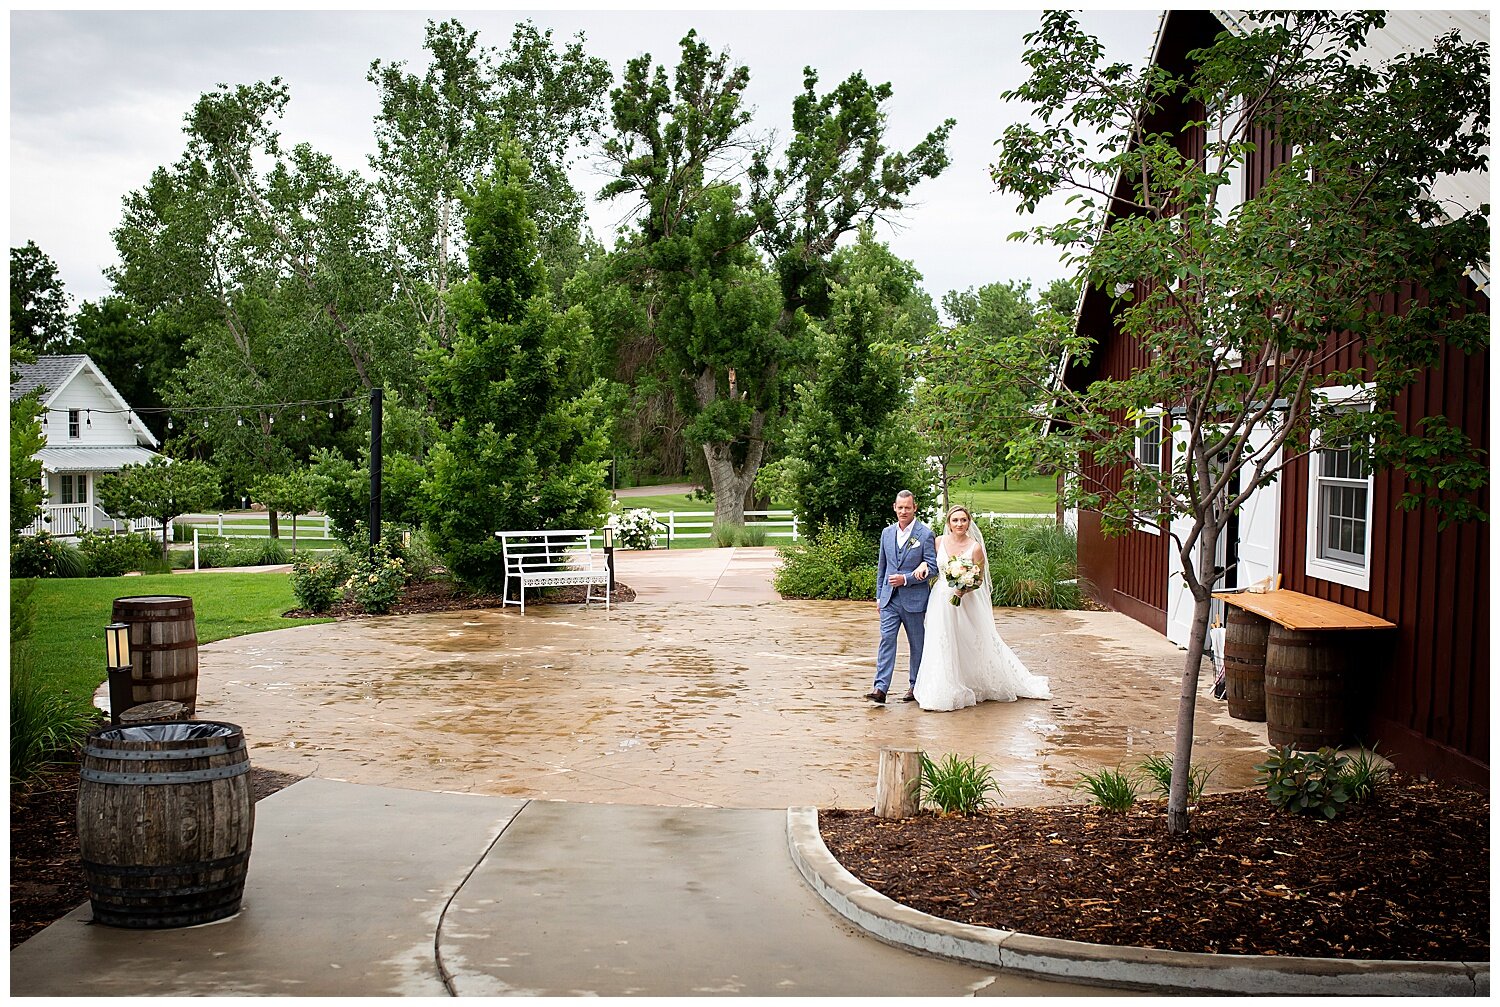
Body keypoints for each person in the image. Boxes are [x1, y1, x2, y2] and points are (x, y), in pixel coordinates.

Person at [913, 505, 1051, 711]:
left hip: (967, 601)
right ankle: (942, 689)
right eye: (955, 520)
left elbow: (978, 580)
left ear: (969, 522)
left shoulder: (975, 547)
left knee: (971, 640)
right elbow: (931, 564)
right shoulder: (938, 542)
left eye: (963, 520)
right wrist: (924, 565)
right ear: (948, 523)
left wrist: (964, 588)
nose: (959, 524)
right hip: (940, 600)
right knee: (941, 641)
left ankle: (975, 683)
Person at [868, 490, 938, 704]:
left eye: (908, 507)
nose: (903, 511)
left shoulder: (925, 534)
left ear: (914, 508)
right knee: (886, 640)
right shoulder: (886, 533)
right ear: (894, 507)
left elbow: (933, 568)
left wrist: (906, 579)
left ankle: (915, 686)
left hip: (914, 600)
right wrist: (879, 596)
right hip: (889, 599)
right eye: (900, 507)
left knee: (917, 644)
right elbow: (882, 567)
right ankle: (880, 688)